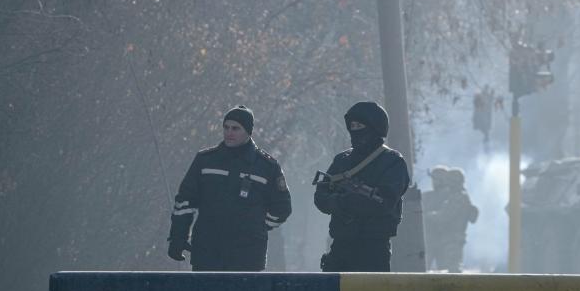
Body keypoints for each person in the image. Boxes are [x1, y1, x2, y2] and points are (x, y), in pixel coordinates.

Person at [167, 105, 292, 271]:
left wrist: (256, 227)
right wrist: (178, 237)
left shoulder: (266, 167)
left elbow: (282, 207)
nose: (229, 132)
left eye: (235, 128)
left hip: (248, 256)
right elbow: (185, 202)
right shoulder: (205, 161)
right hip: (207, 251)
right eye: (226, 127)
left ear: (248, 131)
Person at [313, 101, 409, 272]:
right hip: (341, 245)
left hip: (373, 248)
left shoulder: (392, 162)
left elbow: (384, 202)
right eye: (353, 126)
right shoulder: (342, 160)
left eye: (360, 125)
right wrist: (339, 202)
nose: (355, 130)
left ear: (375, 127)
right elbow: (321, 196)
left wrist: (348, 202)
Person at [422, 166, 479, 272]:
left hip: (452, 239)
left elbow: (444, 216)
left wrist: (427, 215)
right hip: (448, 239)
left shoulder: (458, 198)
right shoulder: (457, 197)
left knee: (452, 271)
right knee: (447, 271)